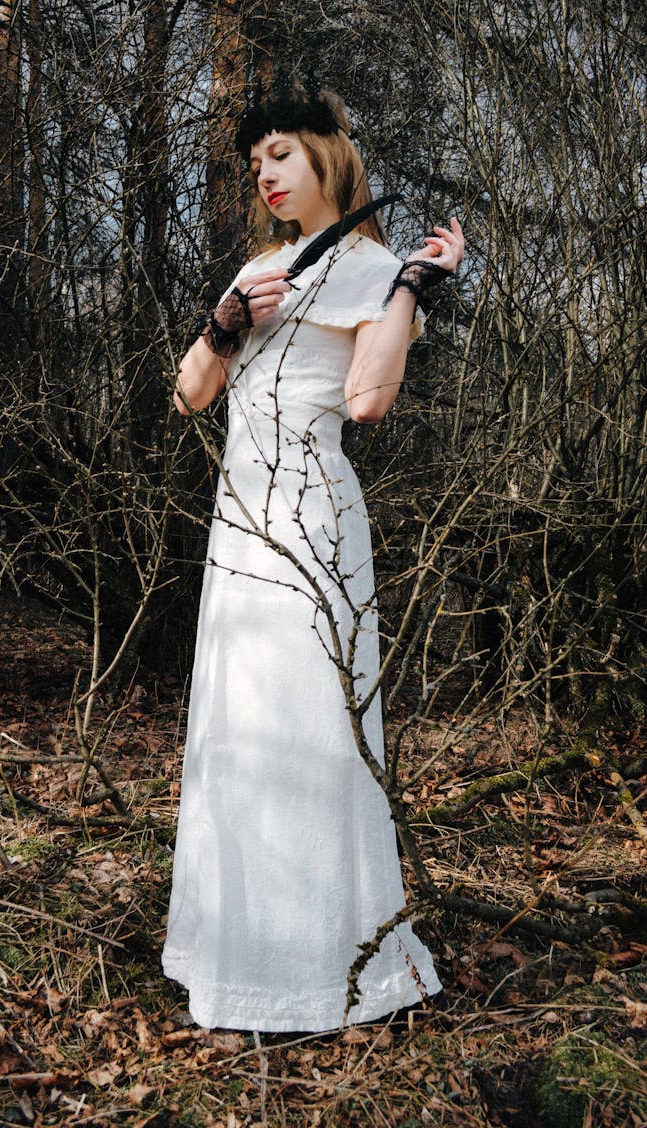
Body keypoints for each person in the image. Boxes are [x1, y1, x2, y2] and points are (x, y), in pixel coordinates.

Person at [162, 86, 465, 1033]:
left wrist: (414, 283)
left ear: (330, 157)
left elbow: (368, 401)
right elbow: (188, 395)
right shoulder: (260, 267)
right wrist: (227, 322)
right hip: (240, 517)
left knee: (310, 727)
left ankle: (320, 963)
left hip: (311, 523)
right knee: (238, 720)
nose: (264, 172)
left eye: (282, 153)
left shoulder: (374, 268)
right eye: (257, 160)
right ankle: (237, 953)